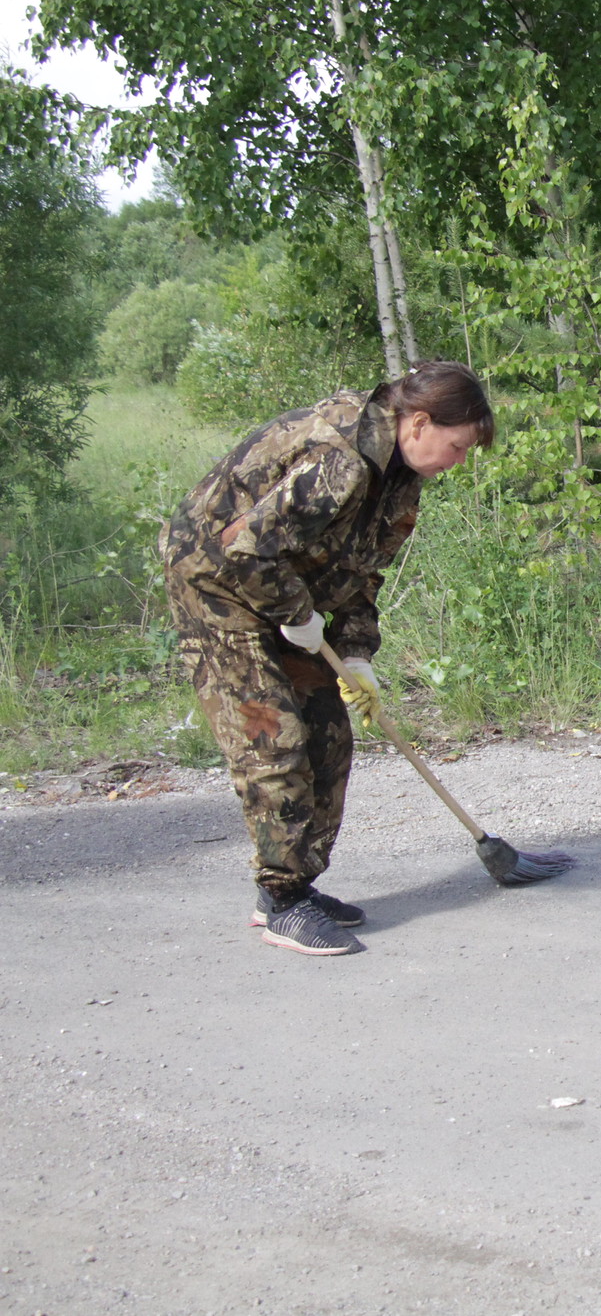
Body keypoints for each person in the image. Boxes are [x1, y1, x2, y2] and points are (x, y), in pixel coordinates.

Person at [161, 361, 494, 956]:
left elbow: (362, 573)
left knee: (327, 733)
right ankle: (281, 902)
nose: (459, 461)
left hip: (286, 589)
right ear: (418, 422)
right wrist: (295, 613)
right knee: (275, 739)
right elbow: (242, 550)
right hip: (215, 586)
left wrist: (357, 653)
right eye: (458, 445)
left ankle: (300, 885)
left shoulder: (401, 478)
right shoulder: (338, 456)